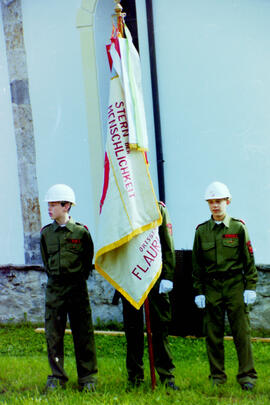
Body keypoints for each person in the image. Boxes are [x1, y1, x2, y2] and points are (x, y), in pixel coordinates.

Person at [192, 181, 257, 390]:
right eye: (211, 202)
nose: (215, 206)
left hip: (235, 285)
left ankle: (247, 376)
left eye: (218, 201)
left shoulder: (238, 227)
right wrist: (199, 291)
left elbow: (249, 260)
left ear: (227, 201)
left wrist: (251, 287)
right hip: (211, 287)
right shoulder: (202, 231)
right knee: (213, 334)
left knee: (241, 333)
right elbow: (197, 265)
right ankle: (217, 377)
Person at [40, 184, 98, 392]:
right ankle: (57, 377)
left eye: (54, 204)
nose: (49, 208)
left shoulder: (81, 233)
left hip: (77, 288)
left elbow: (87, 259)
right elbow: (46, 261)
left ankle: (87, 378)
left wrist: (76, 280)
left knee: (83, 333)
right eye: (49, 204)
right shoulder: (46, 234)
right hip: (55, 288)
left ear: (66, 206)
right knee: (53, 334)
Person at [120, 201, 179, 391]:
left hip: (155, 276)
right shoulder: (121, 206)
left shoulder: (157, 207)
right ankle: (135, 377)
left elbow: (167, 244)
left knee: (160, 327)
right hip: (130, 277)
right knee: (133, 329)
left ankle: (166, 375)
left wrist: (168, 276)